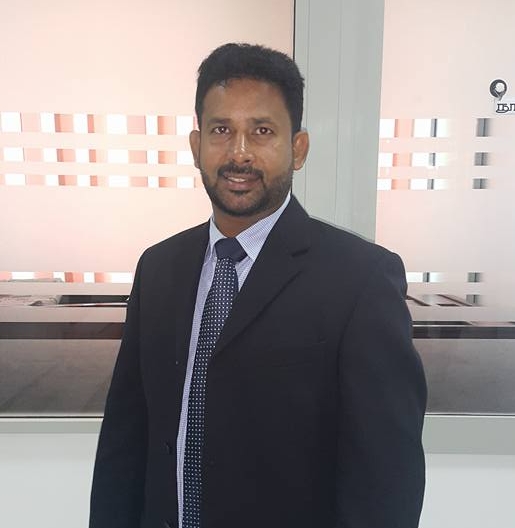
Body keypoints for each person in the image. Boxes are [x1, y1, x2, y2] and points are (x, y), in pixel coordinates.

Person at [90, 43, 427, 528]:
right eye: (221, 130)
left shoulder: (360, 280)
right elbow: (125, 438)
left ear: (298, 148)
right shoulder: (159, 268)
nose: (239, 153)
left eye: (262, 131)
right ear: (195, 146)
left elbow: (386, 480)